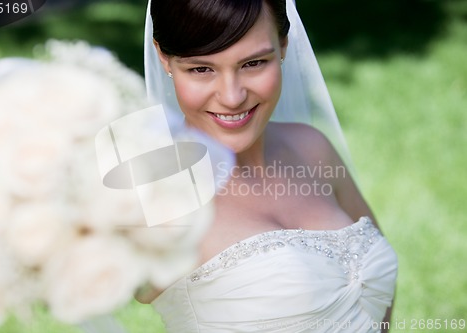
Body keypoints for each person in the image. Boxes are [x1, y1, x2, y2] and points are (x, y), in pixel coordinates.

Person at [138, 0, 398, 332]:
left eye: (253, 63)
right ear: (163, 57)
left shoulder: (311, 147)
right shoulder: (153, 194)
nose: (232, 97)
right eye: (201, 69)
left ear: (284, 44)